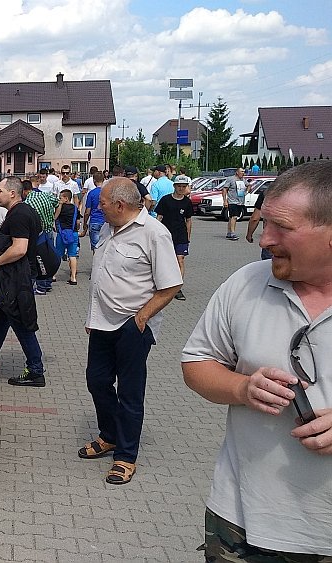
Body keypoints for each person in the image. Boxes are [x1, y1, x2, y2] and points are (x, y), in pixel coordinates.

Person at [181, 160, 332, 559]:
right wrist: (241, 387)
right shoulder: (246, 282)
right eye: (263, 222)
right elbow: (197, 363)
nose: (264, 239)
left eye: (281, 227)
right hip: (241, 521)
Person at [79, 178, 183, 485]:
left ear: (121, 205)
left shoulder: (153, 234)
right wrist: (91, 315)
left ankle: (125, 456)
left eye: (103, 203)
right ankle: (109, 435)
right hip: (101, 322)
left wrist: (141, 318)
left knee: (129, 392)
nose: (99, 206)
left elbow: (172, 285)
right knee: (96, 380)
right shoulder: (107, 229)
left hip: (132, 326)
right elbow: (100, 277)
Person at [0, 176, 46, 387]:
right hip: (16, 276)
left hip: (17, 277)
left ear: (12, 193)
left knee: (20, 323)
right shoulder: (23, 211)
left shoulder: (18, 214)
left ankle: (35, 370)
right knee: (4, 317)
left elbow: (19, 249)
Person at [154, 174, 194, 301]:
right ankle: (163, 284)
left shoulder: (187, 202)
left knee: (180, 260)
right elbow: (159, 218)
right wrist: (155, 233)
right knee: (165, 261)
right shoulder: (166, 200)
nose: (181, 188)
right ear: (174, 186)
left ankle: (177, 288)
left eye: (184, 186)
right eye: (179, 186)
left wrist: (188, 236)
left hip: (181, 235)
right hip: (166, 235)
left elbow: (189, 220)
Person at [25, 173, 60, 294]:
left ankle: (42, 286)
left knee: (40, 260)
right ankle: (48, 282)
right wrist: (54, 218)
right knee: (49, 257)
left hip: (39, 234)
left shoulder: (28, 201)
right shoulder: (45, 195)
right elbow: (58, 202)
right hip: (49, 230)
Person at [53, 188, 80, 285]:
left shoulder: (60, 208)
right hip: (73, 233)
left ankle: (53, 275)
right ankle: (73, 277)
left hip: (62, 234)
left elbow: (55, 217)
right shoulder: (75, 208)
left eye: (60, 198)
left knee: (58, 255)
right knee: (72, 255)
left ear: (66, 198)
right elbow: (77, 222)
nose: (59, 199)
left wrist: (59, 205)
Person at [81, 171, 105, 253]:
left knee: (96, 247)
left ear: (94, 181)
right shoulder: (107, 192)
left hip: (95, 221)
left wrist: (85, 223)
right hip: (106, 222)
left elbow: (87, 211)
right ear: (104, 180)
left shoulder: (91, 193)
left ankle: (97, 264)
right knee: (105, 247)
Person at [245, 187, 273, 260]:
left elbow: (255, 218)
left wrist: (249, 234)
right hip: (295, 239)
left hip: (271, 238)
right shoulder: (300, 192)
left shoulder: (267, 192)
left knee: (268, 266)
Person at [221, 168, 248, 240]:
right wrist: (225, 201)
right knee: (234, 217)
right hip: (232, 201)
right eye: (242, 171)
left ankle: (229, 233)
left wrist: (246, 192)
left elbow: (249, 185)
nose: (243, 173)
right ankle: (232, 233)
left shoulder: (243, 180)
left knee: (231, 217)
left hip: (240, 202)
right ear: (237, 172)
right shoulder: (231, 179)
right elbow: (224, 189)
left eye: (244, 172)